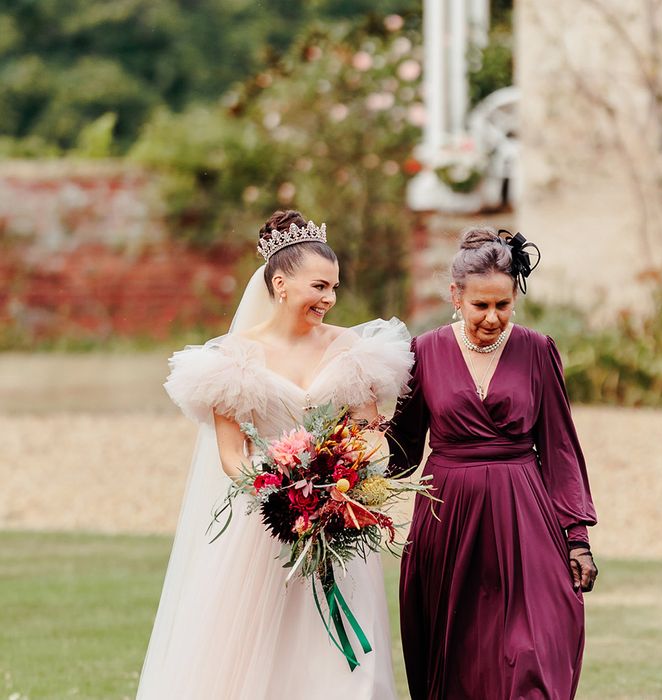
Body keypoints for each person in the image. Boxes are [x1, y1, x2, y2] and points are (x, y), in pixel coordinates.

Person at [136, 210, 412, 699]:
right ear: (280, 284)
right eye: (319, 287)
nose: (328, 299)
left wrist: (348, 475)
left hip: (338, 516)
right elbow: (231, 453)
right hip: (266, 523)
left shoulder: (351, 348)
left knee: (338, 658)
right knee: (254, 651)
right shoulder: (233, 358)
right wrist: (276, 488)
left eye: (334, 288)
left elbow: (370, 432)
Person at [388, 228, 598, 700]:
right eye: (481, 305)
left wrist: (577, 538)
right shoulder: (423, 352)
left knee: (534, 655)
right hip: (448, 521)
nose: (492, 317)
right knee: (458, 661)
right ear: (455, 297)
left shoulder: (537, 350)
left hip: (525, 521)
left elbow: (561, 449)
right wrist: (339, 472)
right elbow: (401, 454)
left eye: (502, 306)